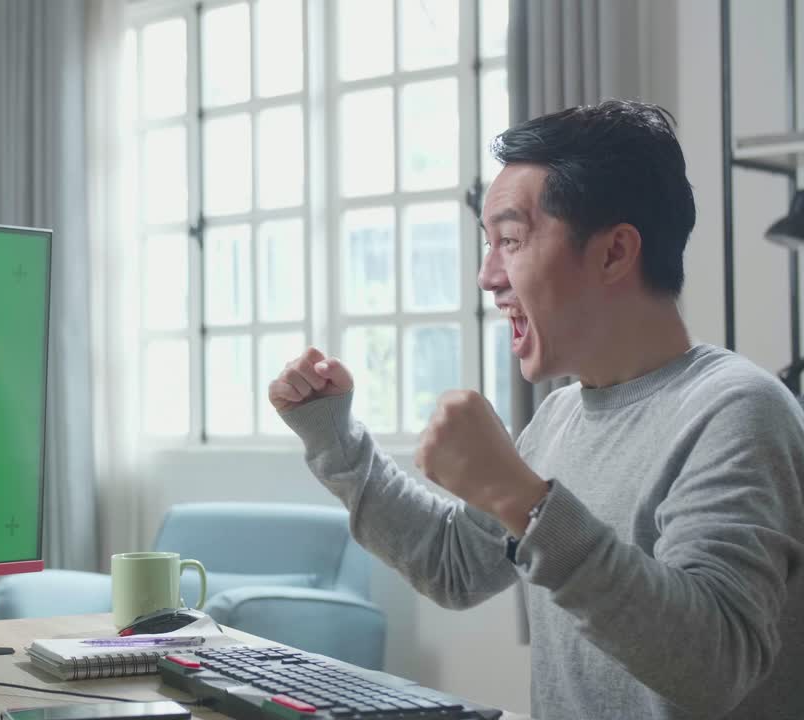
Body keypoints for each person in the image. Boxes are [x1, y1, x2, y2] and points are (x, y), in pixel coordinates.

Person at [270, 100, 804, 719]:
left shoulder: (739, 410)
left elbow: (717, 662)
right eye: (486, 244)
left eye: (511, 240)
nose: (486, 276)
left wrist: (525, 499)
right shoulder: (560, 416)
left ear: (613, 253)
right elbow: (454, 565)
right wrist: (334, 437)